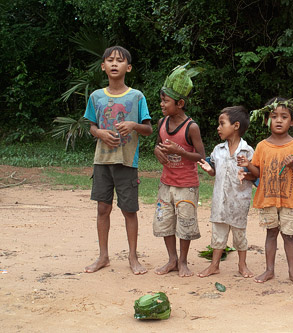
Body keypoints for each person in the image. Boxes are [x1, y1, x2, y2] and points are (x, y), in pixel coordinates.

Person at [83, 46, 152, 275]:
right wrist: (99, 133)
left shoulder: (137, 96)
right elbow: (91, 126)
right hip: (102, 161)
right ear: (103, 66)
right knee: (103, 208)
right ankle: (103, 256)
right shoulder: (96, 96)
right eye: (110, 60)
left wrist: (133, 125)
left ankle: (133, 257)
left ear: (128, 68)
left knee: (129, 210)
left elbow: (148, 129)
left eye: (120, 61)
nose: (114, 64)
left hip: (126, 162)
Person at [238, 97, 293, 285]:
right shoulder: (262, 146)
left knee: (288, 236)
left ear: (292, 121)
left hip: (289, 200)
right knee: (270, 234)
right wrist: (248, 165)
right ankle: (269, 270)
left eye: (284, 117)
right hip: (267, 199)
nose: (278, 120)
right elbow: (258, 172)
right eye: (274, 116)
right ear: (267, 119)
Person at [153, 63, 205, 277]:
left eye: (166, 101)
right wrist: (157, 151)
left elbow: (201, 156)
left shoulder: (191, 127)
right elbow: (157, 145)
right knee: (165, 221)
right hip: (166, 183)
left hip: (186, 185)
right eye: (162, 100)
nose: (162, 104)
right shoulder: (161, 123)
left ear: (180, 103)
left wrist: (180, 151)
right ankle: (172, 260)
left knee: (185, 223)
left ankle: (183, 261)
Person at [197, 106, 255, 278]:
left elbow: (255, 175)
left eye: (222, 124)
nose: (218, 127)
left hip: (239, 201)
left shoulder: (247, 151)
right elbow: (215, 170)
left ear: (236, 126)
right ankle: (214, 265)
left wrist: (247, 172)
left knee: (239, 235)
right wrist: (209, 170)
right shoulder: (217, 150)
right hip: (220, 201)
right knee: (218, 234)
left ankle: (242, 264)